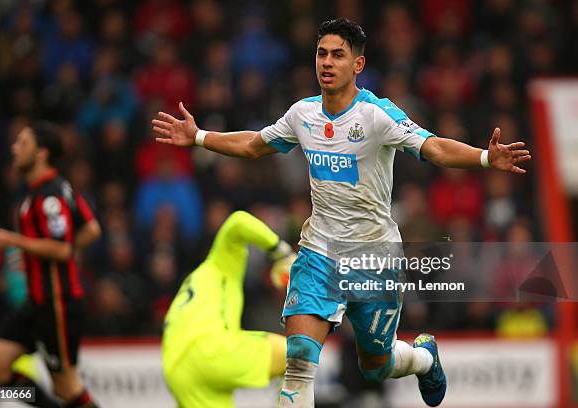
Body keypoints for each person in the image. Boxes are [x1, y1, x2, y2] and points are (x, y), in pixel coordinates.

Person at [152, 18, 531, 407]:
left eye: (338, 55)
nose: (327, 63)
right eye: (321, 54)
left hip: (374, 255)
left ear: (358, 65)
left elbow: (433, 148)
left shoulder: (376, 115)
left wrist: (485, 158)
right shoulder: (303, 115)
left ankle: (422, 358)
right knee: (298, 360)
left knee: (376, 364)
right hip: (319, 253)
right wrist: (199, 137)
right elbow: (255, 144)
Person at [0, 121, 101, 408]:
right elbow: (91, 228)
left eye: (23, 143)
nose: (15, 148)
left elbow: (60, 249)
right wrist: (57, 248)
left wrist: (15, 241)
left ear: (42, 153)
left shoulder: (49, 196)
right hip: (36, 301)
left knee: (68, 387)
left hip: (57, 302)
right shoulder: (49, 188)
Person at [161, 210, 295, 407]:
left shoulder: (198, 280)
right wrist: (281, 251)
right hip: (207, 349)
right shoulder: (220, 261)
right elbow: (238, 220)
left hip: (175, 368)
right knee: (295, 355)